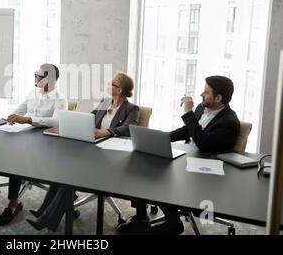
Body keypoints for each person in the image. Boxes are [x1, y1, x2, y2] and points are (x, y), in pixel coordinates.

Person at [117, 75, 240, 235]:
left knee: (162, 176)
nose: (201, 95)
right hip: (189, 160)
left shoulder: (229, 122)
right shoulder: (203, 108)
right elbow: (186, 130)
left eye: (206, 92)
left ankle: (172, 222)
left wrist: (188, 112)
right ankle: (141, 216)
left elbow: (203, 144)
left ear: (218, 98)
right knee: (145, 162)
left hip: (206, 173)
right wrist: (159, 138)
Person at [26, 72, 139, 232]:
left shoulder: (131, 109)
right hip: (94, 149)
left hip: (112, 157)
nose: (108, 84)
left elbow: (128, 128)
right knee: (64, 169)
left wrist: (107, 132)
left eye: (112, 83)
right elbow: (91, 117)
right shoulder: (105, 101)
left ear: (119, 90)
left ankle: (47, 219)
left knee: (71, 175)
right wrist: (79, 121)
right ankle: (43, 210)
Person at [0, 63, 68, 225]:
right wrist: (7, 119)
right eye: (35, 74)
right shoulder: (33, 92)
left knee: (15, 157)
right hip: (23, 134)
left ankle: (12, 204)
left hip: (44, 142)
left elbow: (56, 120)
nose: (35, 78)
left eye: (38, 75)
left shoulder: (61, 99)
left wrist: (28, 119)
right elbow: (18, 111)